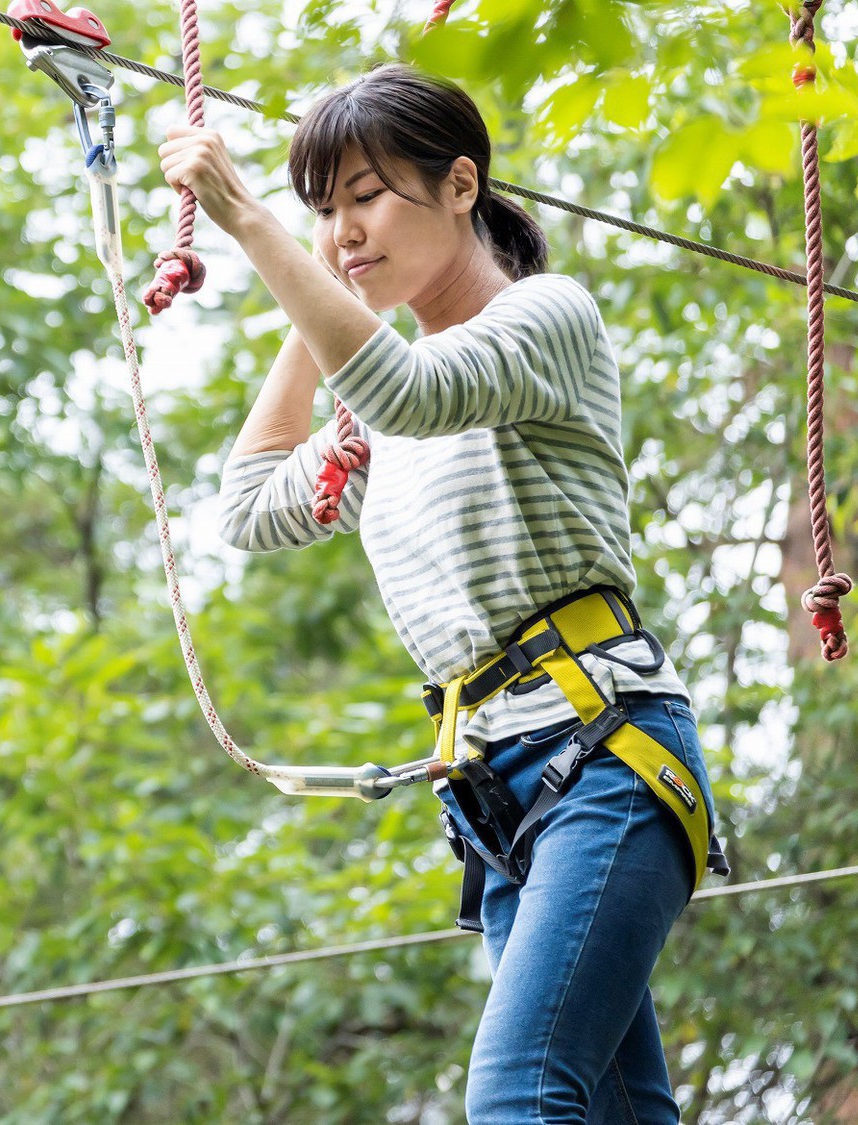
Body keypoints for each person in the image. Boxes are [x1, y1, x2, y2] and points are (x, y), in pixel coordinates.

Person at [160, 63, 724, 1123]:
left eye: (365, 196)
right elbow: (247, 508)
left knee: (517, 1095)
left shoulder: (542, 322)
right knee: (612, 1114)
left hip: (602, 753)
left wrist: (250, 223)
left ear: (459, 185)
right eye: (322, 210)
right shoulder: (372, 418)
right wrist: (332, 282)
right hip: (496, 797)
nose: (341, 228)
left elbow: (410, 387)